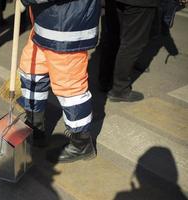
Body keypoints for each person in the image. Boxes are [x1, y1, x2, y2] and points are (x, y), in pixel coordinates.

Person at [18, 0, 101, 163]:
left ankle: (81, 144)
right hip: (46, 22)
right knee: (31, 73)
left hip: (67, 28)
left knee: (70, 89)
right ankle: (35, 127)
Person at [99, 0, 160, 102]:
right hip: (138, 3)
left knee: (113, 38)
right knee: (132, 44)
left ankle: (105, 81)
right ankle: (119, 89)